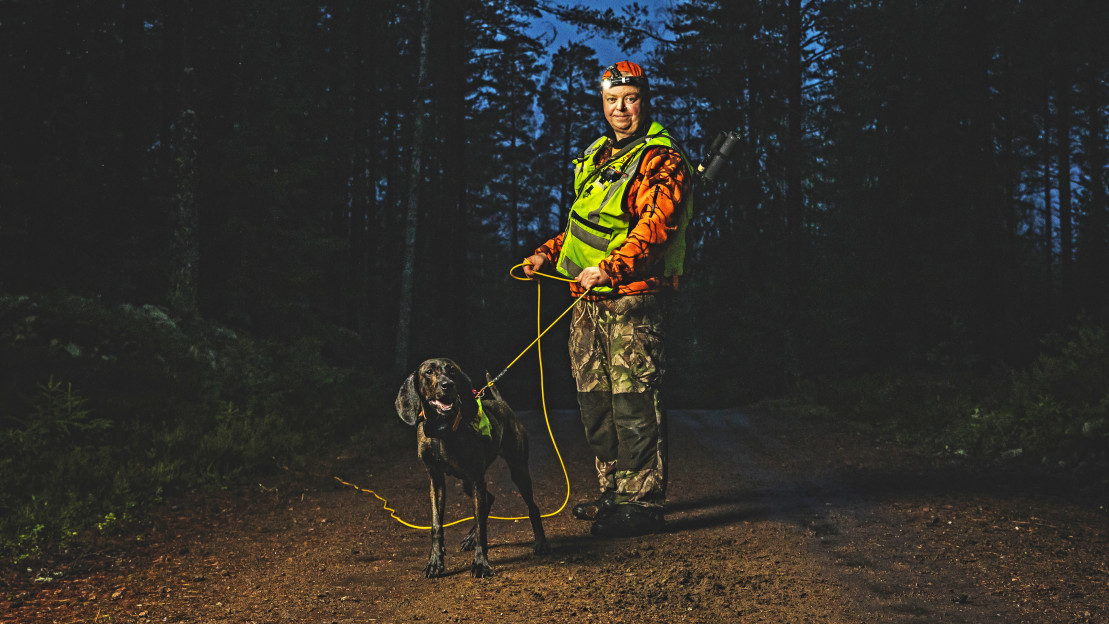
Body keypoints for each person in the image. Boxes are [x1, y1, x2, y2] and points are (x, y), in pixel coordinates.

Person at [523, 61, 693, 537]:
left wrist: (611, 269)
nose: (621, 108)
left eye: (630, 99)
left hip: (632, 298)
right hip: (585, 299)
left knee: (634, 399)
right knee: (594, 401)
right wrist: (546, 253)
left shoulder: (662, 159)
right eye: (612, 100)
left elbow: (655, 227)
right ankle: (614, 492)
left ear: (644, 100)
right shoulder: (597, 155)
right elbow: (587, 228)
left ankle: (641, 502)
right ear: (603, 103)